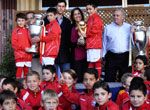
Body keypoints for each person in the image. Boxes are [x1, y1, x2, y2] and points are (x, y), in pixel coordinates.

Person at [102, 8, 131, 82]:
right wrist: (102, 56)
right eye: (114, 15)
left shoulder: (129, 27)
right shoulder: (108, 28)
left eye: (118, 15)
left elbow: (134, 41)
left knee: (125, 79)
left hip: (125, 56)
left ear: (123, 17)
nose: (115, 17)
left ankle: (123, 93)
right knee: (109, 78)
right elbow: (104, 43)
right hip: (111, 56)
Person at [85, 1, 103, 79]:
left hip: (95, 44)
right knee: (91, 62)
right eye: (87, 9)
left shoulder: (97, 18)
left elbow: (95, 31)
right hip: (90, 44)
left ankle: (97, 78)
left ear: (95, 9)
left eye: (90, 9)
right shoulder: (90, 18)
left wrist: (85, 34)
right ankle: (91, 78)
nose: (88, 11)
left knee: (97, 62)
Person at [11, 13, 32, 79]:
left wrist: (33, 47)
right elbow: (14, 44)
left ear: (25, 21)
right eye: (19, 20)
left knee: (26, 72)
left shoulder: (28, 30)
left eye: (22, 20)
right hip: (19, 55)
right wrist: (24, 48)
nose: (21, 22)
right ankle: (18, 87)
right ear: (16, 21)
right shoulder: (15, 31)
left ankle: (26, 86)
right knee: (19, 71)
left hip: (28, 55)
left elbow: (31, 41)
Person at [55, 0, 72, 79]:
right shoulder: (48, 20)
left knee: (66, 77)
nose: (61, 8)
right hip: (52, 53)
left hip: (64, 54)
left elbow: (69, 38)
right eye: (59, 6)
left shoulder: (67, 22)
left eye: (63, 6)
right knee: (53, 78)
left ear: (65, 8)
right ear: (56, 7)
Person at [70, 7, 88, 82]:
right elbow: (69, 43)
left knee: (86, 77)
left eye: (79, 13)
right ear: (72, 17)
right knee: (78, 78)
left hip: (87, 55)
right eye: (75, 14)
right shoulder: (71, 27)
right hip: (76, 57)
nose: (77, 15)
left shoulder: (87, 25)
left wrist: (85, 38)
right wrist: (77, 42)